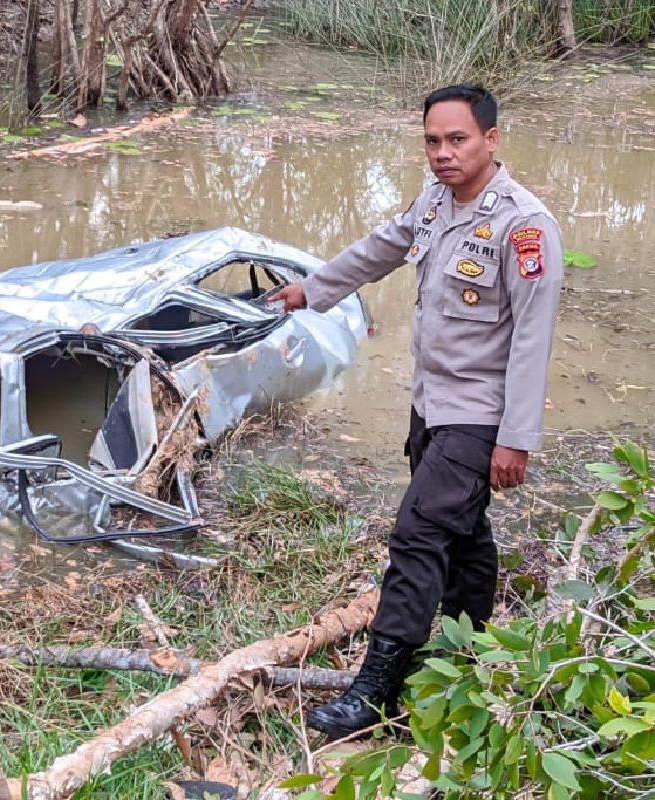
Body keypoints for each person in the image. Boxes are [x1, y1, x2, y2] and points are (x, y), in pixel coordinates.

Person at [267, 84, 563, 740]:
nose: (442, 153)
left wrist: (515, 439)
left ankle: (375, 689)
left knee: (418, 535)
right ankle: (466, 650)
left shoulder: (525, 227)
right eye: (432, 141)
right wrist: (308, 291)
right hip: (430, 403)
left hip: (479, 414)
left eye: (457, 139)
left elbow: (532, 341)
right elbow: (379, 249)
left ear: (492, 139)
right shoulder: (434, 203)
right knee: (463, 534)